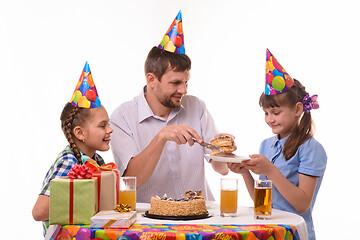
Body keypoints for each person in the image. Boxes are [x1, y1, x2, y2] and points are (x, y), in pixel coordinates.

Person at [110, 11, 231, 203]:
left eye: (186, 82)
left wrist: (223, 152)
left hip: (198, 216)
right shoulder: (122, 118)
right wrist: (161, 137)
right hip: (150, 223)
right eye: (175, 83)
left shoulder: (196, 107)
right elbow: (131, 180)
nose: (183, 90)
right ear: (151, 79)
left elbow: (222, 169)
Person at [228, 49, 327, 240]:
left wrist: (270, 169)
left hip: (293, 233)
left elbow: (302, 204)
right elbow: (262, 202)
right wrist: (244, 172)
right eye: (266, 113)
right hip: (268, 231)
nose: (270, 119)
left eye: (276, 112)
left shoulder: (311, 148)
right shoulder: (266, 145)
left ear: (298, 109)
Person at [32, 62, 113, 236]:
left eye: (109, 124)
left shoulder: (97, 161)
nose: (110, 130)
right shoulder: (69, 161)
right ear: (80, 133)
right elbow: (39, 212)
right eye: (102, 125)